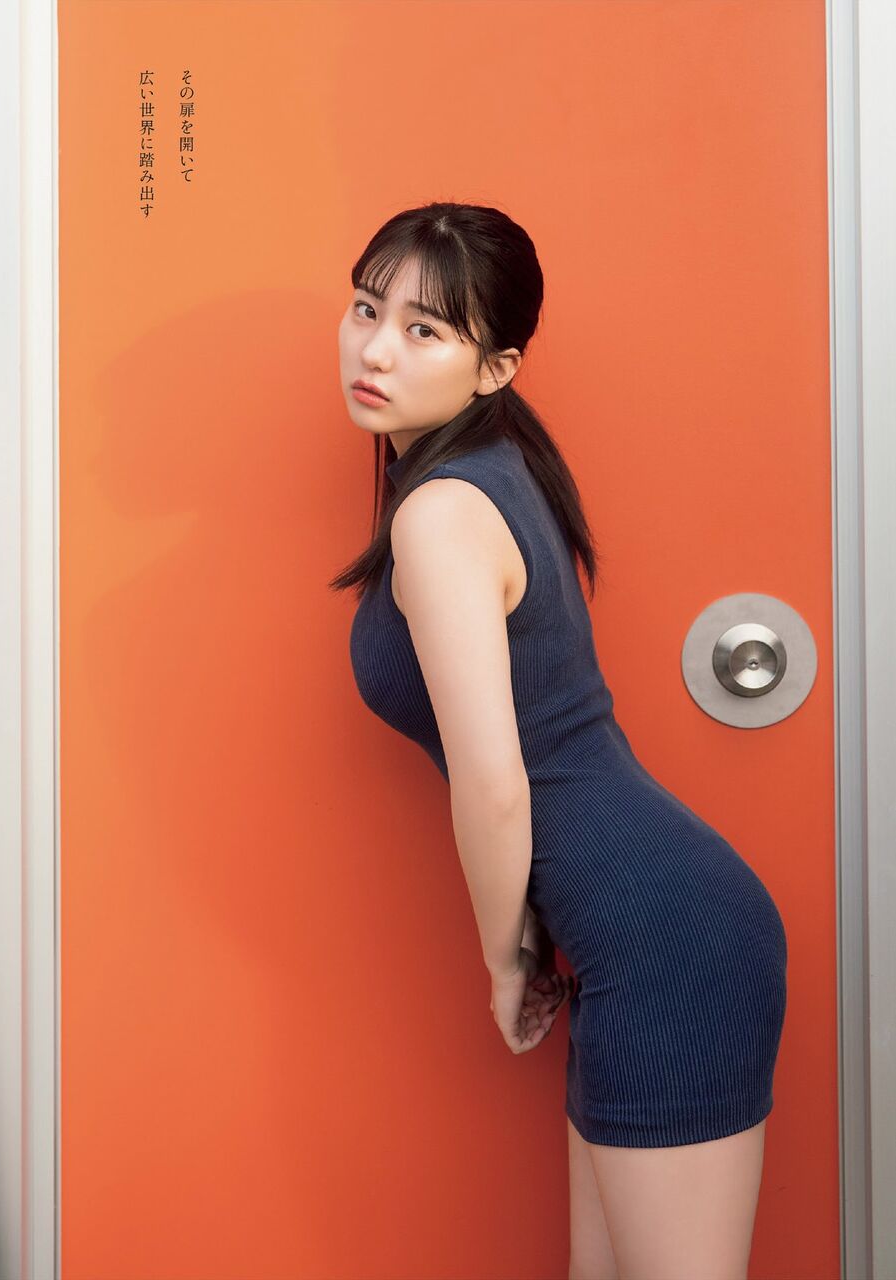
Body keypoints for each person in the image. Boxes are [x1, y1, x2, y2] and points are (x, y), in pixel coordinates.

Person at [332, 201, 788, 1280]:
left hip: (667, 944)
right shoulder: (491, 465)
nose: (375, 350)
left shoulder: (440, 512)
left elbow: (496, 780)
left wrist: (506, 960)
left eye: (424, 330)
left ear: (495, 368)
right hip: (643, 930)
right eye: (365, 309)